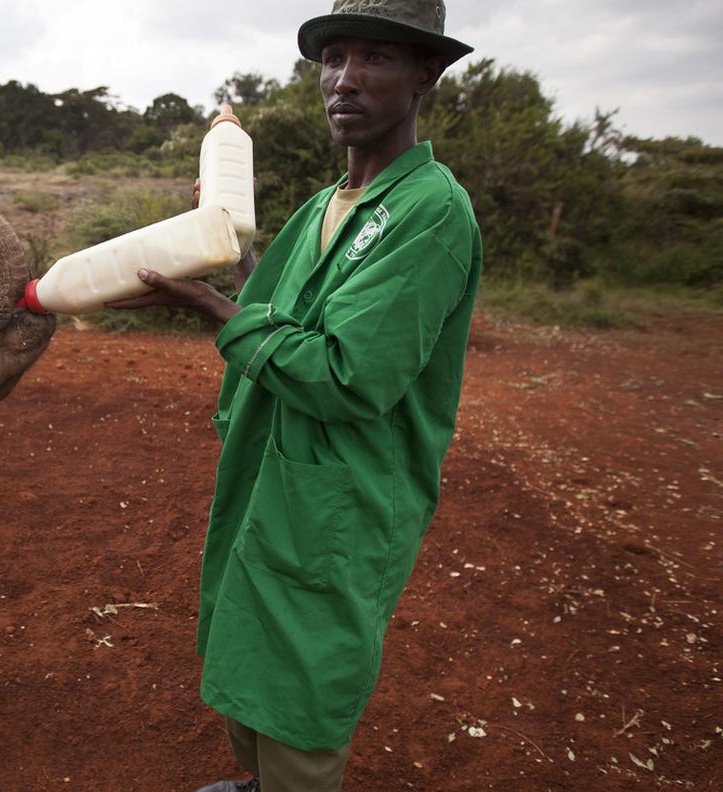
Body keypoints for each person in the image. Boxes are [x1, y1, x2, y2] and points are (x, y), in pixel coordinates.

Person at [106, 1, 482, 790]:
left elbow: (348, 375)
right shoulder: (323, 205)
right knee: (252, 639)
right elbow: (270, 308)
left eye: (375, 58)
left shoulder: (431, 211)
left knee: (307, 674)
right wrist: (222, 250)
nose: (344, 80)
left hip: (345, 492)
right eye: (333, 58)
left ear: (426, 75)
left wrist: (206, 309)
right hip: (276, 468)